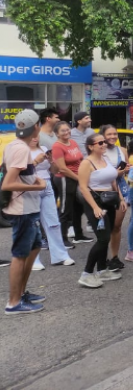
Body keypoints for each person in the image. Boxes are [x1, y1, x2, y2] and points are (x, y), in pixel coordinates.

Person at [3, 110, 48, 314]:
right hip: (23, 210)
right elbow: (8, 183)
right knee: (20, 255)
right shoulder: (21, 149)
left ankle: (20, 293)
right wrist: (38, 187)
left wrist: (35, 174)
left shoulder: (14, 145)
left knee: (35, 247)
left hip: (27, 208)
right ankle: (13, 303)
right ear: (36, 126)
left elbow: (21, 175)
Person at [76, 134, 127, 288]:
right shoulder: (87, 163)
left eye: (104, 142)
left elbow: (113, 180)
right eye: (100, 143)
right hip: (95, 200)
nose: (104, 144)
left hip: (109, 200)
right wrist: (95, 207)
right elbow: (83, 188)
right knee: (103, 238)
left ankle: (102, 269)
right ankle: (86, 273)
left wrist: (121, 199)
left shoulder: (104, 159)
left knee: (108, 233)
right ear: (91, 146)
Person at [29, 136, 75, 270]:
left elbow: (54, 171)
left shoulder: (43, 149)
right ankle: (33, 259)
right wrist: (36, 161)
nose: (34, 138)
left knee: (53, 222)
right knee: (33, 224)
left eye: (36, 135)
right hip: (31, 186)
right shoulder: (22, 151)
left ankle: (60, 255)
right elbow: (21, 171)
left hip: (47, 185)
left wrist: (51, 161)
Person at [52, 121, 92, 247]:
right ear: (57, 134)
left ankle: (78, 235)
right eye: (63, 131)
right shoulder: (57, 146)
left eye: (68, 129)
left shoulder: (73, 142)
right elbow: (62, 168)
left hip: (76, 178)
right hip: (65, 179)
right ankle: (62, 239)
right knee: (65, 209)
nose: (66, 132)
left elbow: (80, 160)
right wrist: (79, 178)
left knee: (77, 208)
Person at [99, 125, 130, 271]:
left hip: (121, 189)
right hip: (103, 190)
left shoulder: (122, 150)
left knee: (117, 225)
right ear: (103, 136)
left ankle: (114, 257)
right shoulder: (99, 151)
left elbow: (127, 169)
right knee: (105, 227)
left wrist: (126, 170)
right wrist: (116, 174)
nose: (112, 136)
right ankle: (102, 258)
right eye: (109, 134)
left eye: (115, 134)